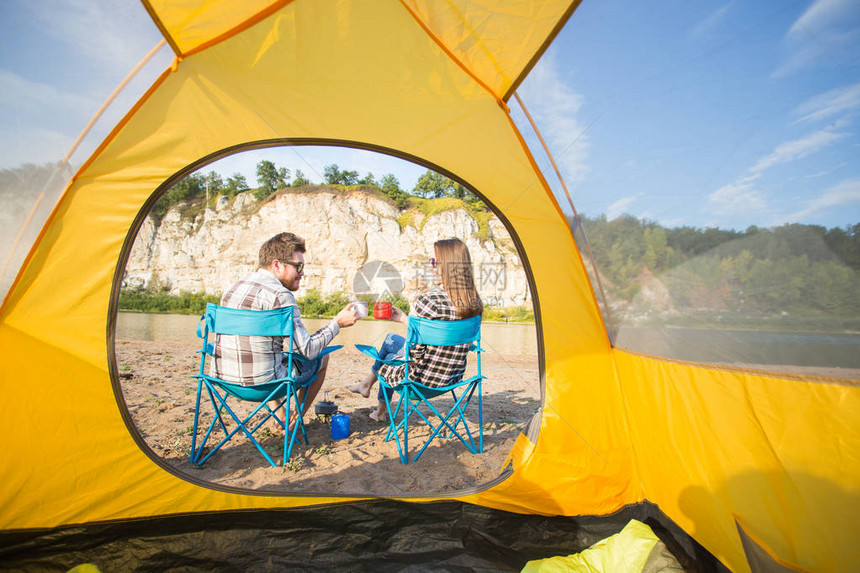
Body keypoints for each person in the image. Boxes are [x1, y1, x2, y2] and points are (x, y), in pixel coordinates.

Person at [214, 232, 360, 430]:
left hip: (224, 381)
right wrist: (336, 323)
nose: (302, 272)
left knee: (271, 354)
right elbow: (307, 350)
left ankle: (281, 413)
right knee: (321, 359)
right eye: (298, 266)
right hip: (264, 386)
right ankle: (295, 419)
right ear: (277, 265)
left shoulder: (231, 289)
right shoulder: (280, 296)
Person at [349, 238, 483, 422]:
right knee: (391, 339)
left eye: (434, 262)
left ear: (446, 266)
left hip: (422, 381)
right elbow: (441, 332)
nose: (430, 267)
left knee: (387, 358)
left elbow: (415, 353)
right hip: (452, 377)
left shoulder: (430, 300)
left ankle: (380, 409)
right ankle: (366, 386)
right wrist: (405, 319)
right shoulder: (474, 303)